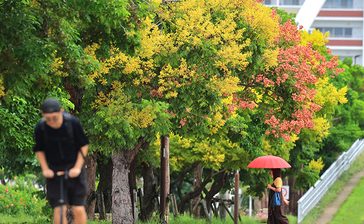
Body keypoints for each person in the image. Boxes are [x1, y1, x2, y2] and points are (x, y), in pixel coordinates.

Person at [33, 98, 89, 224]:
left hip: (74, 168)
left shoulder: (72, 123)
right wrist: (45, 169)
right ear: (43, 115)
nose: (52, 121)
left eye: (55, 118)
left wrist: (77, 167)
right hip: (54, 171)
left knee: (78, 208)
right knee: (59, 209)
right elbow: (39, 149)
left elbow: (83, 146)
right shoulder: (40, 128)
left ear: (61, 112)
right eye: (48, 119)